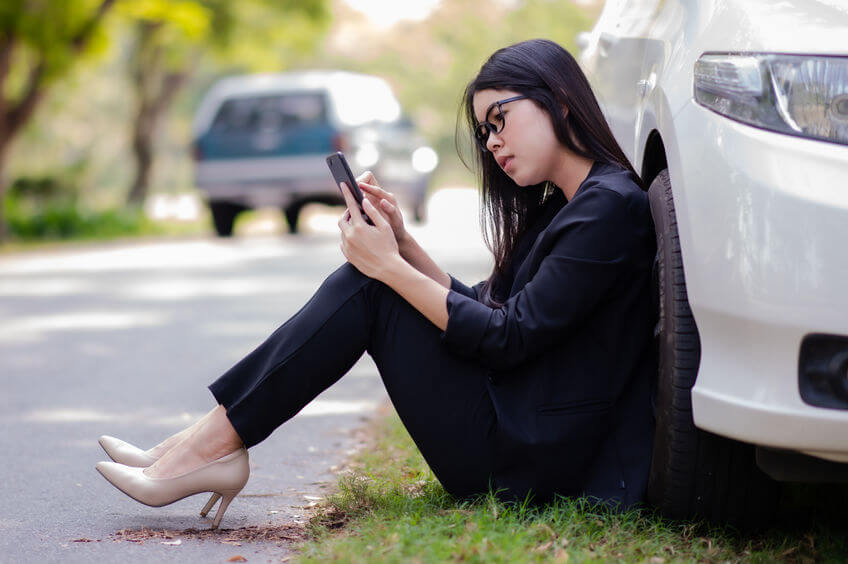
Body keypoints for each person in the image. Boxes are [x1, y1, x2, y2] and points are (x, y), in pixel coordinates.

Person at [95, 38, 657, 530]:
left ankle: (207, 448)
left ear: (558, 99)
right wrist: (404, 245)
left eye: (500, 119)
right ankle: (200, 444)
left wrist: (389, 267)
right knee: (373, 282)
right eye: (484, 129)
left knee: (370, 287)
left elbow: (507, 338)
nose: (491, 142)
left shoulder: (608, 209)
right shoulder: (569, 207)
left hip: (535, 460)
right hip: (523, 434)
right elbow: (489, 306)